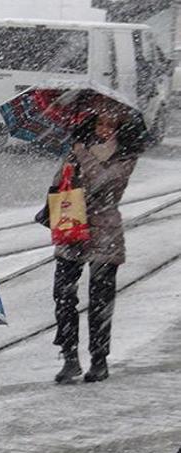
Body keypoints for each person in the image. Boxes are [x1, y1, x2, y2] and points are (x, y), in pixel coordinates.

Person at [51, 99, 147, 384]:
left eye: (110, 125)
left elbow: (105, 183)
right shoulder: (76, 148)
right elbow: (59, 184)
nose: (104, 129)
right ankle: (69, 357)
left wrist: (80, 156)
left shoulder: (126, 154)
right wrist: (67, 169)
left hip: (106, 232)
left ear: (120, 128)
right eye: (100, 123)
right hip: (72, 227)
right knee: (63, 294)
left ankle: (99, 358)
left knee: (101, 299)